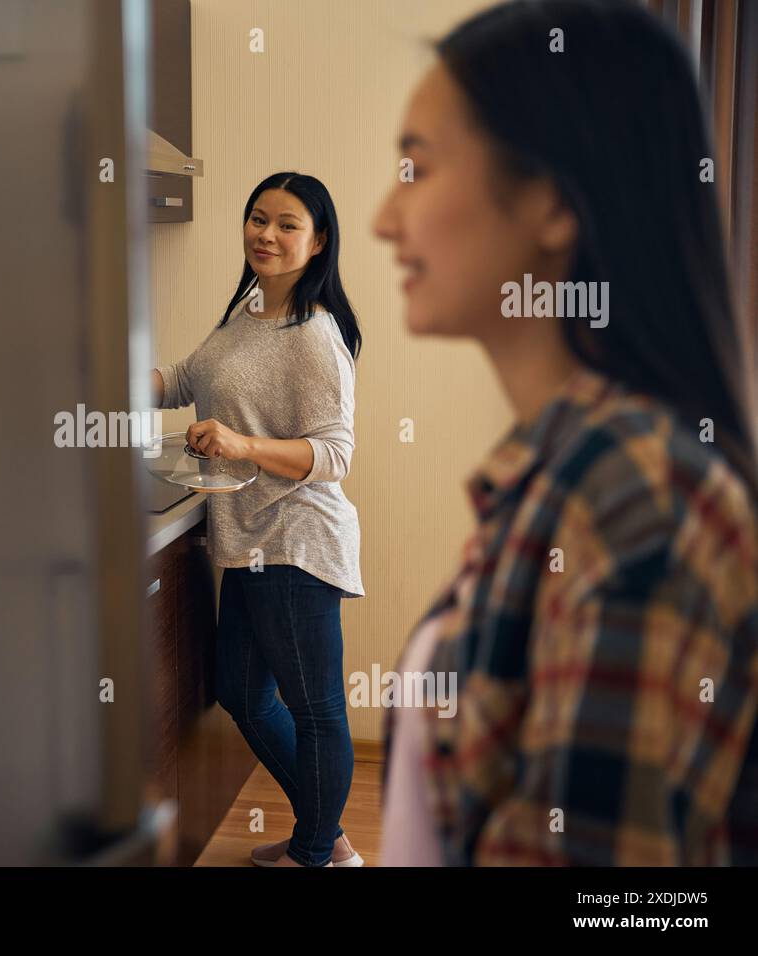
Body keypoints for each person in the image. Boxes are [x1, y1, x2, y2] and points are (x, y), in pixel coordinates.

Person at [372, 0, 758, 865]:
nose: (383, 220)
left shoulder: (635, 491)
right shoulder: (563, 474)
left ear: (551, 204)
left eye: (415, 167)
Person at [151, 172, 365, 867]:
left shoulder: (315, 335)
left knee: (316, 712)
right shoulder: (248, 310)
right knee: (242, 693)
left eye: (286, 224)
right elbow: (187, 379)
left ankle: (315, 852)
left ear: (319, 239)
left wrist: (243, 445)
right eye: (257, 219)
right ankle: (324, 837)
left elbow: (335, 454)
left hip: (294, 541)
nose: (266, 235)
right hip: (247, 542)